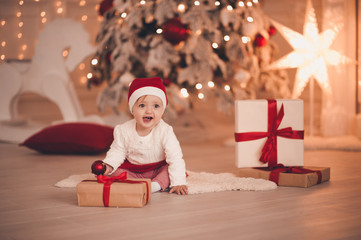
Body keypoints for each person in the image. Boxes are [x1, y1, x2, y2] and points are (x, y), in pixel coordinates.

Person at [102, 77, 188, 195]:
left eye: (156, 106)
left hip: (158, 169)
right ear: (133, 109)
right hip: (133, 170)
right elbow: (118, 151)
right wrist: (109, 165)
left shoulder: (165, 131)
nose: (149, 111)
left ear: (162, 110)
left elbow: (175, 158)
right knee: (115, 172)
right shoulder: (123, 130)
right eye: (142, 106)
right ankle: (134, 183)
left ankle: (154, 186)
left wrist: (178, 182)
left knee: (169, 171)